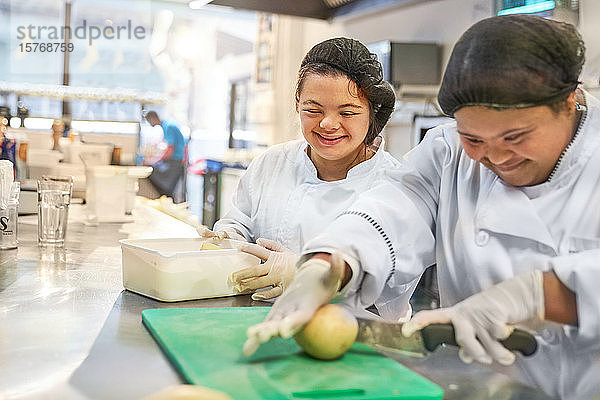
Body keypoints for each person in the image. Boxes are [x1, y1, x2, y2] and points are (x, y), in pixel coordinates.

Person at [244, 15, 600, 400]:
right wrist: (328, 265)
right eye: (474, 138)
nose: (495, 156)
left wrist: (529, 297)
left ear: (568, 102)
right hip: (476, 386)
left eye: (515, 137)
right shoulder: (448, 154)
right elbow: (393, 211)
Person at [200, 37, 418, 319]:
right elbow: (239, 221)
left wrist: (316, 278)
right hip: (257, 322)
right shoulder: (272, 163)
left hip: (352, 338)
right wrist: (227, 238)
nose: (328, 124)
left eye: (347, 112)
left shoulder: (395, 187)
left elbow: (392, 292)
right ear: (297, 104)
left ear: (372, 113)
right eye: (313, 110)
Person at [144, 111, 186, 200]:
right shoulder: (166, 125)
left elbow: (169, 151)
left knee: (152, 171)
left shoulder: (169, 126)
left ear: (153, 119)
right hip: (174, 160)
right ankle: (165, 198)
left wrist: (153, 161)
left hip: (175, 161)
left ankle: (165, 198)